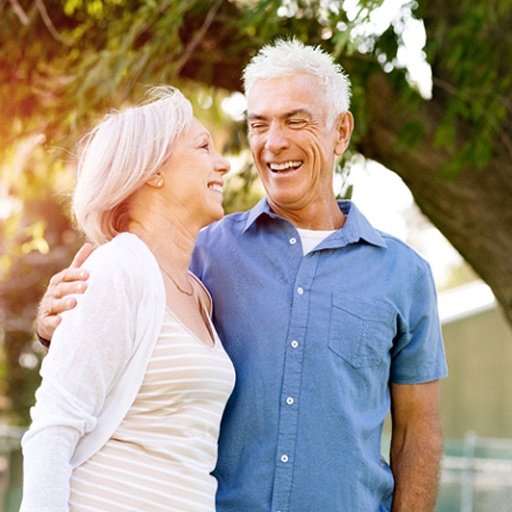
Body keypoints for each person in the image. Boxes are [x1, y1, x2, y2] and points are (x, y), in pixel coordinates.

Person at [35, 39, 447, 511]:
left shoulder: (404, 275)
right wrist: (56, 323)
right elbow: (113, 332)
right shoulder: (199, 252)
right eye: (259, 124)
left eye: (296, 120)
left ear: (341, 132)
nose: (274, 142)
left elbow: (418, 433)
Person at [21, 86, 235, 511]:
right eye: (203, 147)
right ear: (154, 170)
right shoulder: (118, 269)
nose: (223, 163)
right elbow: (54, 425)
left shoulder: (198, 293)